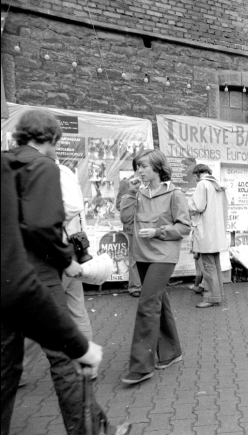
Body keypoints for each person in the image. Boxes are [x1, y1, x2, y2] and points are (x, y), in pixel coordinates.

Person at [2, 111, 123, 434]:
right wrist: (67, 260)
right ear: (52, 139)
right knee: (66, 357)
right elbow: (43, 226)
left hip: (6, 278)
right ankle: (91, 430)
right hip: (39, 276)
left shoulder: (4, 164)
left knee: (5, 368)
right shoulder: (43, 167)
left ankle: (101, 427)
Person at [119, 149, 190, 385]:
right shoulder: (136, 193)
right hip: (142, 255)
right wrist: (129, 191)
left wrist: (159, 231)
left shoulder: (174, 194)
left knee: (147, 304)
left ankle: (141, 367)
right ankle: (172, 352)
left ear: (157, 168)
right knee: (159, 302)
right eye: (138, 166)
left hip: (164, 256)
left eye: (144, 166)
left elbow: (184, 227)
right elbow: (126, 219)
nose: (140, 170)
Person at [21, 162, 94, 385]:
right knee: (76, 308)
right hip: (71, 250)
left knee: (40, 314)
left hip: (56, 253)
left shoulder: (49, 174)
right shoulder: (65, 173)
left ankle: (19, 370)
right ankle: (87, 365)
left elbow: (67, 209)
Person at [188, 164, 228, 308]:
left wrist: (187, 202)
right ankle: (218, 293)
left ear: (196, 175)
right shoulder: (217, 184)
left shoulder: (202, 184)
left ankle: (211, 297)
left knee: (207, 265)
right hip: (216, 231)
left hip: (205, 230)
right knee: (215, 264)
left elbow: (198, 206)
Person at [116, 174, 142, 297]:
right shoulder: (125, 182)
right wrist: (133, 199)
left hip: (146, 226)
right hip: (132, 227)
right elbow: (119, 205)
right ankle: (135, 287)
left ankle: (144, 284)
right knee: (134, 257)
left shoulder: (148, 179)